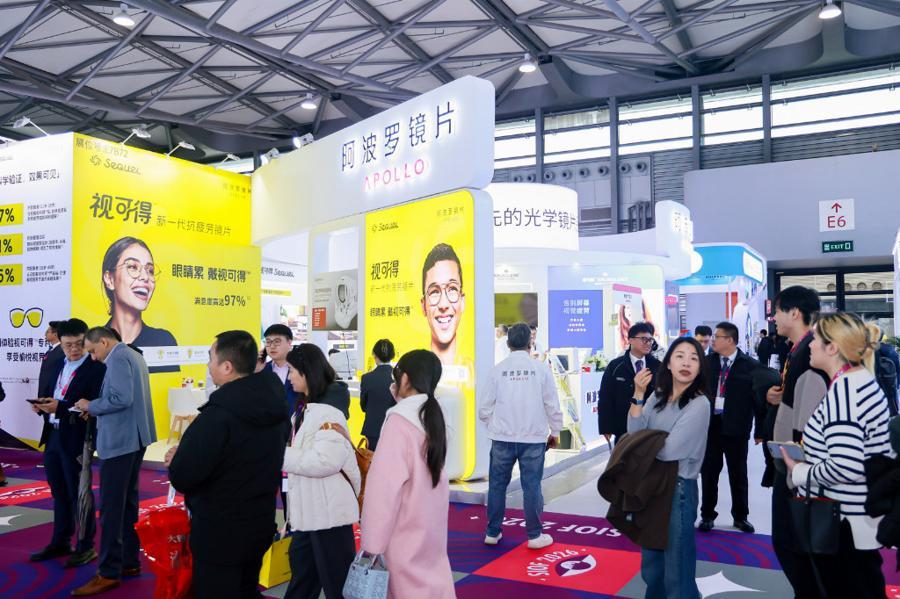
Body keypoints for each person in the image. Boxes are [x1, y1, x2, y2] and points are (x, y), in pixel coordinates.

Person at [166, 331, 289, 599]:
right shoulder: (275, 407)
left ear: (227, 366)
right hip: (259, 520)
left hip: (220, 531)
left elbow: (185, 475)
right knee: (245, 587)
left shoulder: (218, 416)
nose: (208, 365)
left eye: (211, 358)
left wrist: (178, 460)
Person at [780, 312, 891, 598]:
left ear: (832, 348)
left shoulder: (845, 393)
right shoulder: (859, 382)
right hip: (855, 520)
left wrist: (799, 470)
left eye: (815, 339)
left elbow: (846, 466)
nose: (810, 345)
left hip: (843, 524)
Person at [361, 350, 454, 598]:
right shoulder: (432, 415)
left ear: (405, 379)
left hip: (403, 528)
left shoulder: (399, 422)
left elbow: (383, 491)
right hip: (430, 526)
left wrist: (372, 543)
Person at [72, 327, 156, 596]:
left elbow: (122, 398)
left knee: (111, 509)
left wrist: (91, 405)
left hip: (121, 441)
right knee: (127, 505)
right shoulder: (132, 354)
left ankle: (108, 571)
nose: (93, 357)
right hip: (134, 438)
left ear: (105, 342)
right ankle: (128, 562)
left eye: (93, 350)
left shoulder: (118, 357)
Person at [627, 337, 711, 599]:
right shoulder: (657, 395)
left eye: (694, 358)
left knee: (677, 568)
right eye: (680, 356)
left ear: (700, 367)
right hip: (650, 486)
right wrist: (638, 395)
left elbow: (669, 450)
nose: (686, 363)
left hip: (678, 488)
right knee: (652, 566)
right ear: (669, 364)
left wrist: (644, 442)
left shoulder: (699, 404)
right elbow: (633, 432)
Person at [765, 286, 829, 598]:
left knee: (792, 543)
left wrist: (798, 470)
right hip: (792, 463)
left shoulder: (809, 354)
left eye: (776, 311)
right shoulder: (797, 351)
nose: (773, 318)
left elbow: (809, 419)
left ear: (794, 313)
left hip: (797, 466)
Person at [479, 323, 563, 549]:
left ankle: (492, 532)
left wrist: (496, 425)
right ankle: (534, 536)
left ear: (507, 344)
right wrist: (555, 431)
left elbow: (484, 410)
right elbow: (552, 404)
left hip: (502, 438)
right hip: (533, 439)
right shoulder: (541, 370)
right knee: (532, 486)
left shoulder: (497, 370)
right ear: (530, 343)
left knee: (497, 486)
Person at [283, 344, 357, 599]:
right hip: (311, 512)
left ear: (306, 372)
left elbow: (325, 461)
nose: (289, 377)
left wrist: (280, 455)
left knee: (338, 586)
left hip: (328, 514)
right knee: (303, 580)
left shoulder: (328, 410)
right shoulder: (308, 408)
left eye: (292, 370)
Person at [30, 319, 106, 567]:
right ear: (60, 343)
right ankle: (60, 541)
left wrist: (60, 408)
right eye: (67, 345)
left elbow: (93, 405)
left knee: (79, 493)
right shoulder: (57, 363)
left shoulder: (96, 368)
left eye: (78, 344)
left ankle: (85, 546)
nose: (73, 349)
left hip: (78, 436)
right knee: (59, 491)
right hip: (53, 434)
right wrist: (42, 406)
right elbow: (53, 393)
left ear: (87, 340)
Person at [699, 321, 761, 534]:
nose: (712, 340)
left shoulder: (750, 365)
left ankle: (741, 517)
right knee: (709, 473)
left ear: (730, 340)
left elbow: (757, 400)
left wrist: (760, 430)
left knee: (738, 474)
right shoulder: (706, 363)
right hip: (711, 427)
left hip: (737, 428)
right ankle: (707, 515)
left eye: (717, 336)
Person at [100, 237, 178, 373]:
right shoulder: (94, 341)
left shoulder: (163, 340)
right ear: (109, 279)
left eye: (150, 270)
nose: (145, 277)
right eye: (132, 267)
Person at [598, 322, 661, 443]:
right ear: (630, 340)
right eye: (644, 339)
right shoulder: (615, 366)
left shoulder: (658, 366)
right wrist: (606, 427)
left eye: (650, 340)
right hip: (622, 428)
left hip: (651, 428)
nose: (648, 343)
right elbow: (606, 397)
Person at [421, 243, 465, 366]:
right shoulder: (413, 372)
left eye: (452, 289)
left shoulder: (472, 369)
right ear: (424, 306)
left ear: (462, 301)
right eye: (434, 292)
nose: (443, 304)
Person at [360, 339, 396, 450]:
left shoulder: (366, 378)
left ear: (374, 355)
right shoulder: (399, 377)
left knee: (372, 459)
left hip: (372, 430)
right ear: (393, 355)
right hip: (394, 429)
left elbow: (363, 406)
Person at [262, 324, 299, 413]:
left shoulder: (300, 368)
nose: (272, 346)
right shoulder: (262, 369)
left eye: (277, 341)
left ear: (289, 343)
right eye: (268, 342)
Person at [38, 320, 64, 398]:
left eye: (48, 332)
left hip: (52, 395)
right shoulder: (51, 350)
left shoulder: (62, 351)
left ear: (55, 334)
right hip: (44, 394)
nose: (45, 334)